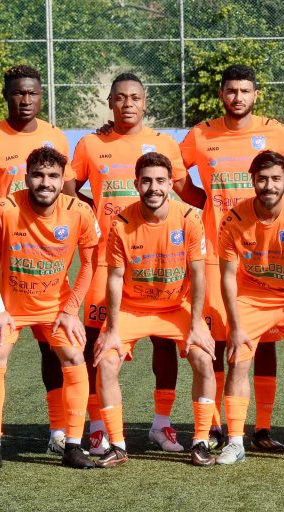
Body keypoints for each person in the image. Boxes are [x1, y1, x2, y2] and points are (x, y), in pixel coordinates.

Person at [179, 64, 284, 451]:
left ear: (255, 95)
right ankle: (216, 424)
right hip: (216, 252)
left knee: (263, 342)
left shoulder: (276, 132)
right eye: (231, 91)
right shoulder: (201, 134)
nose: (238, 97)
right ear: (221, 94)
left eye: (245, 91)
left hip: (262, 253)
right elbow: (178, 176)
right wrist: (205, 203)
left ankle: (261, 428)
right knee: (216, 339)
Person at [72, 73, 194, 455]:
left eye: (135, 97)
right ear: (110, 102)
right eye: (121, 97)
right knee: (97, 342)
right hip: (106, 261)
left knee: (164, 341)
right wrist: (96, 212)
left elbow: (185, 191)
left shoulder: (164, 143)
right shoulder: (91, 144)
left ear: (145, 102)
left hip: (158, 258)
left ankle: (161, 424)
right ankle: (97, 427)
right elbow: (69, 190)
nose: (128, 104)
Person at [0, 64, 77, 461]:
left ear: (41, 95)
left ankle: (59, 431)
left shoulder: (54, 135)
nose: (26, 99)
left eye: (32, 93)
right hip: (3, 269)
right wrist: (9, 217)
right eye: (18, 93)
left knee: (54, 349)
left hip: (48, 265)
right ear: (6, 95)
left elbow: (69, 198)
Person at [0, 147, 99, 472]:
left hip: (56, 306)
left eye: (53, 176)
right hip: (8, 306)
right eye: (38, 175)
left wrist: (71, 310)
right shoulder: (5, 209)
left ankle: (71, 445)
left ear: (63, 180)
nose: (45, 182)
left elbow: (90, 263)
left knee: (74, 356)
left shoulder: (79, 211)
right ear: (26, 178)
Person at [92, 152, 216, 468]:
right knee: (106, 362)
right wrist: (112, 330)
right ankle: (117, 445)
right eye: (146, 181)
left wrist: (197, 323)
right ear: (136, 184)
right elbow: (115, 278)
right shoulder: (121, 223)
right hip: (132, 307)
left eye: (160, 181)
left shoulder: (189, 218)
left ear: (171, 183)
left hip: (174, 306)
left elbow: (198, 274)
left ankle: (201, 441)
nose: (153, 188)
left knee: (203, 358)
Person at [215, 150, 284, 465]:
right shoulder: (233, 220)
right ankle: (235, 442)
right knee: (237, 362)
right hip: (251, 299)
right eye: (262, 179)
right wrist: (235, 326)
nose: (269, 185)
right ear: (253, 180)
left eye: (276, 179)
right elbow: (227, 277)